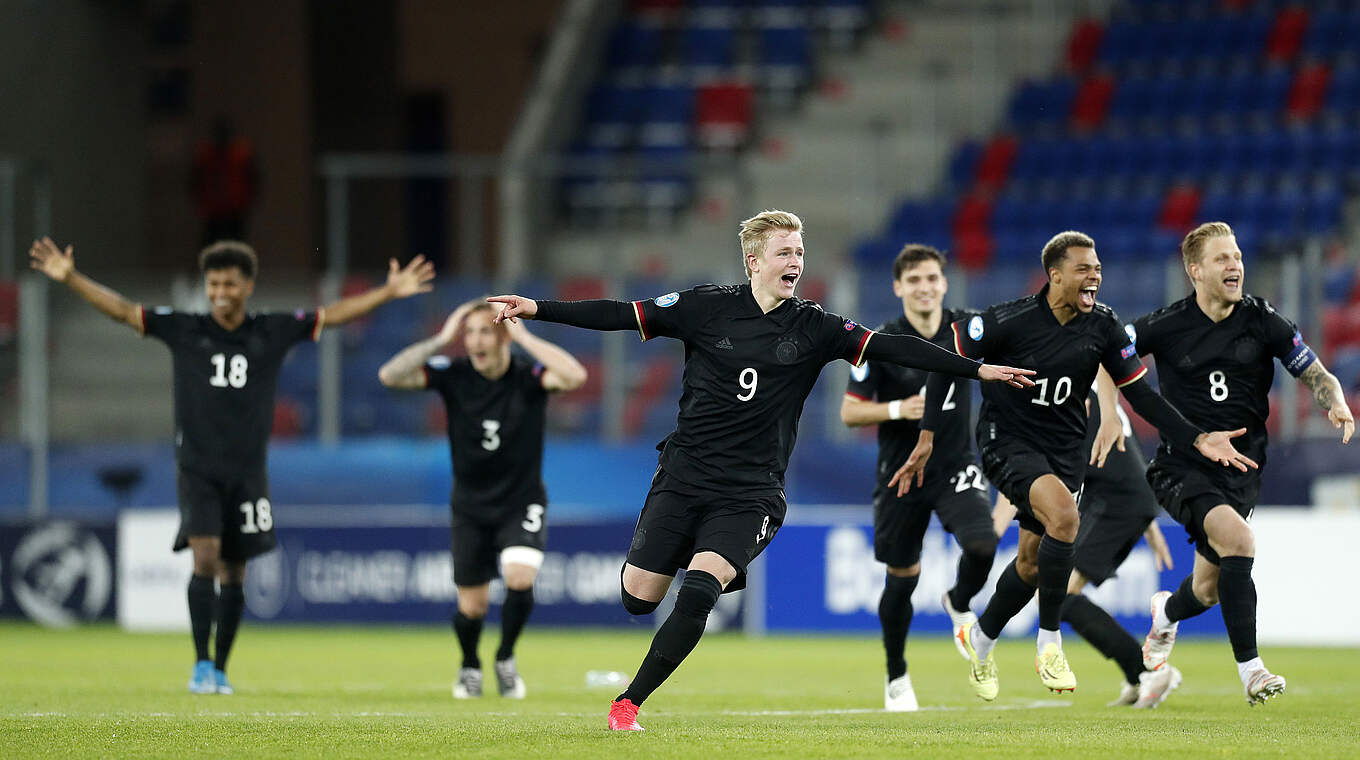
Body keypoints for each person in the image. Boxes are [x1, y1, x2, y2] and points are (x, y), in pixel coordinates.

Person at [487, 210, 1036, 730]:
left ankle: (629, 702)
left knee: (699, 588)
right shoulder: (705, 307)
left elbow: (894, 348)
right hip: (682, 477)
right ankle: (691, 556)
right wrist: (538, 308)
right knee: (638, 597)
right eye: (784, 251)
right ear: (754, 262)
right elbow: (621, 314)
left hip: (751, 492)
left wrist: (978, 369)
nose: (796, 260)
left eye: (800, 251)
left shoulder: (816, 326)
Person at [29, 237, 434, 694]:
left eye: (229, 283)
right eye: (213, 282)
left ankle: (221, 667)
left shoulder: (271, 329)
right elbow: (124, 311)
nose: (219, 291)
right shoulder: (185, 328)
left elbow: (333, 316)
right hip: (198, 468)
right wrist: (72, 278)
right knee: (204, 556)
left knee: (235, 572)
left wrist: (387, 292)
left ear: (248, 286)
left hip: (247, 473)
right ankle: (200, 665)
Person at [892, 230, 1256, 702]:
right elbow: (944, 353)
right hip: (1009, 441)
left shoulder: (1103, 327)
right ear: (1055, 276)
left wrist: (1197, 437)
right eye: (1084, 269)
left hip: (1065, 454)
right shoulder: (1010, 321)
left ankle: (981, 637)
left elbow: (1141, 394)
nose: (1095, 276)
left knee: (1030, 563)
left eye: (1098, 268)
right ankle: (1049, 643)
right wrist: (927, 435)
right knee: (1065, 517)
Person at [1132, 222, 1354, 706]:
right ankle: (1252, 670)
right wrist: (1109, 411)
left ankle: (1166, 614)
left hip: (1242, 471)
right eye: (1222, 259)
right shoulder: (1166, 325)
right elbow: (1109, 355)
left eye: (1237, 257)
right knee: (1240, 541)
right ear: (1195, 270)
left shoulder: (1262, 320)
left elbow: (1316, 373)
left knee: (1208, 589)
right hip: (1181, 466)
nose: (1235, 266)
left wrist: (1333, 399)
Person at [378, 299, 587, 699]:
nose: (475, 340)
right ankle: (470, 664)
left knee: (519, 576)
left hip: (521, 500)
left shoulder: (529, 377)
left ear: (502, 335)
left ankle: (505, 658)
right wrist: (440, 338)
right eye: (469, 332)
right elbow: (389, 375)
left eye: (485, 331)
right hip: (470, 505)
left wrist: (524, 333)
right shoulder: (454, 376)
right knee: (472, 607)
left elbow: (575, 375)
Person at [839, 244, 997, 711]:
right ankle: (896, 675)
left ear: (944, 283)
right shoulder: (880, 342)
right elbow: (849, 412)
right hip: (900, 474)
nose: (924, 287)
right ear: (898, 287)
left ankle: (958, 599)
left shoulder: (968, 327)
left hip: (955, 466)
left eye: (932, 278)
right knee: (901, 577)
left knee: (983, 544)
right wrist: (895, 408)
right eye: (914, 281)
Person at [992, 369, 1182, 708]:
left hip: (1114, 502)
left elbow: (1028, 471)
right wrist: (1149, 520)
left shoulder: (1064, 396)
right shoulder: (1094, 389)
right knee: (1060, 592)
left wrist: (992, 529)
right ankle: (1138, 673)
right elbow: (1130, 451)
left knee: (1059, 593)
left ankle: (1145, 671)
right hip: (1128, 500)